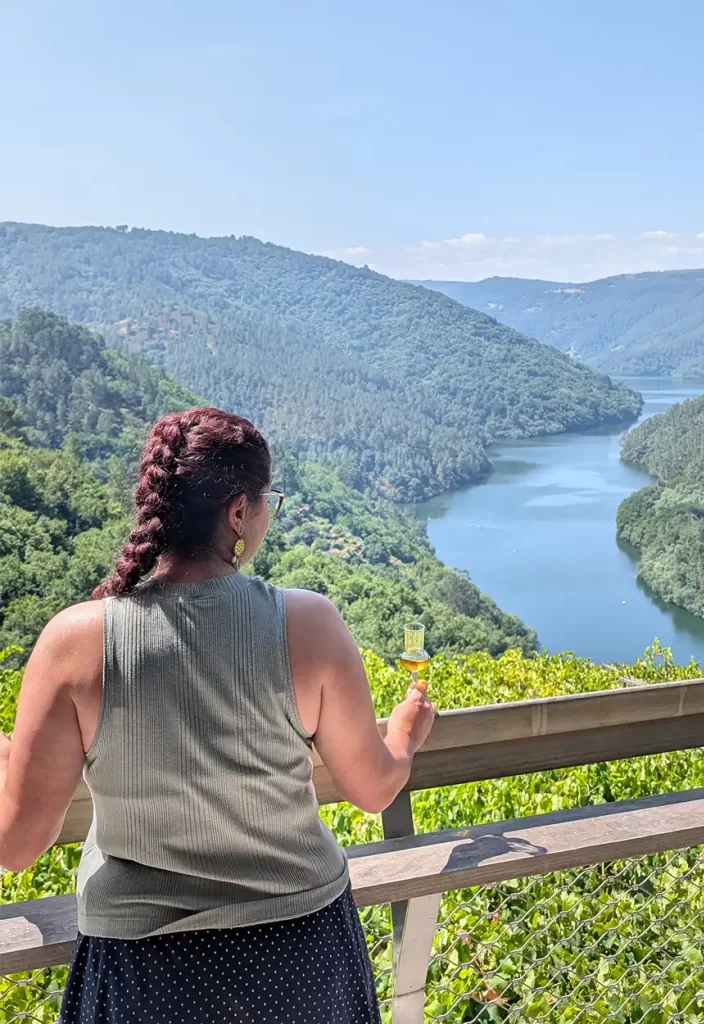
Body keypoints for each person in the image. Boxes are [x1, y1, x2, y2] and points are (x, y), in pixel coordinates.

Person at [0, 407, 436, 1023]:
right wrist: (406, 736)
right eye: (266, 504)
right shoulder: (308, 625)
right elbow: (372, 788)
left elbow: (16, 845)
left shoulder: (74, 642)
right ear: (238, 511)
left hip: (148, 979)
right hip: (301, 960)